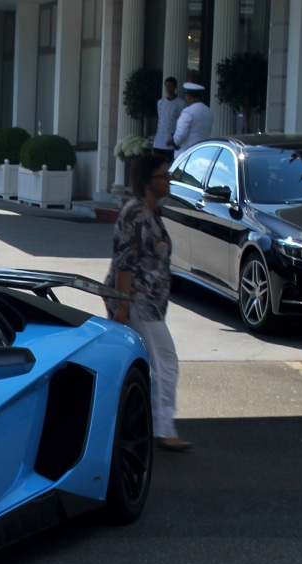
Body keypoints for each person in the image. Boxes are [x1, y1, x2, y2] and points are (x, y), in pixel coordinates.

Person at [105, 154, 191, 452]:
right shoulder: (137, 214)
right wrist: (123, 306)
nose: (168, 181)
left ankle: (144, 424)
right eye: (163, 177)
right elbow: (125, 263)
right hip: (140, 302)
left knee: (148, 364)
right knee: (165, 362)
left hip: (150, 303)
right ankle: (164, 429)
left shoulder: (152, 213)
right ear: (147, 182)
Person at [172, 81, 213, 156]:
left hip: (186, 154)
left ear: (188, 96)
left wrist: (174, 141)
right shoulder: (208, 111)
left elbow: (180, 135)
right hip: (202, 152)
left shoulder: (188, 111)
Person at [154, 76, 184, 160]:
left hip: (171, 140)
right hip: (159, 140)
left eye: (171, 86)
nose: (168, 88)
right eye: (167, 86)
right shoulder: (160, 102)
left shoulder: (181, 103)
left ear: (175, 87)